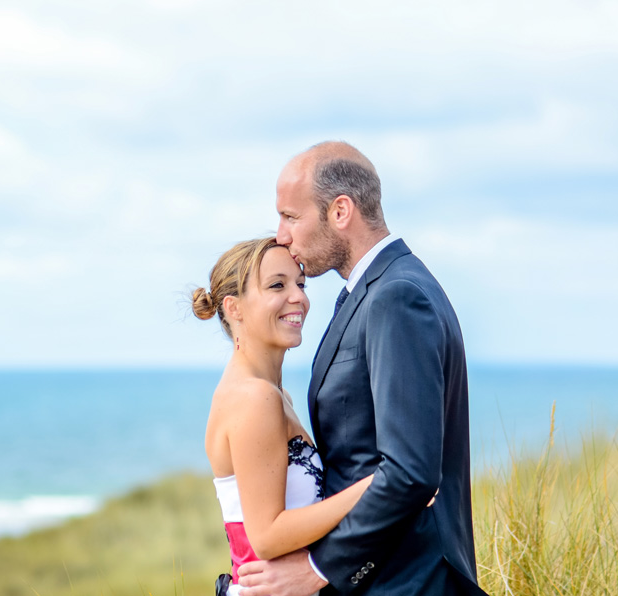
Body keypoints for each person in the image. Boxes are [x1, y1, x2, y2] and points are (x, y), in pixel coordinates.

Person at [236, 142, 487, 596]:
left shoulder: (397, 297)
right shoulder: (372, 292)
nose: (281, 236)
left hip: (409, 582)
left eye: (291, 216)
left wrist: (318, 569)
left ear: (340, 211)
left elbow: (410, 472)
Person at [191, 237, 377, 596]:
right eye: (278, 285)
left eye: (301, 284)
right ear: (234, 308)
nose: (299, 297)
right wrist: (378, 485)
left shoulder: (274, 394)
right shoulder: (253, 397)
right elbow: (267, 536)